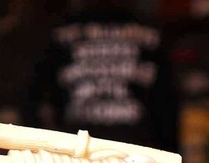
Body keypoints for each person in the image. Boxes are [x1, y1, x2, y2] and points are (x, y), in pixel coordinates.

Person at [26, 0, 177, 153]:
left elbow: (168, 100)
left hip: (129, 149)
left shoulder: (59, 31)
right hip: (81, 149)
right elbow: (34, 94)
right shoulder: (150, 31)